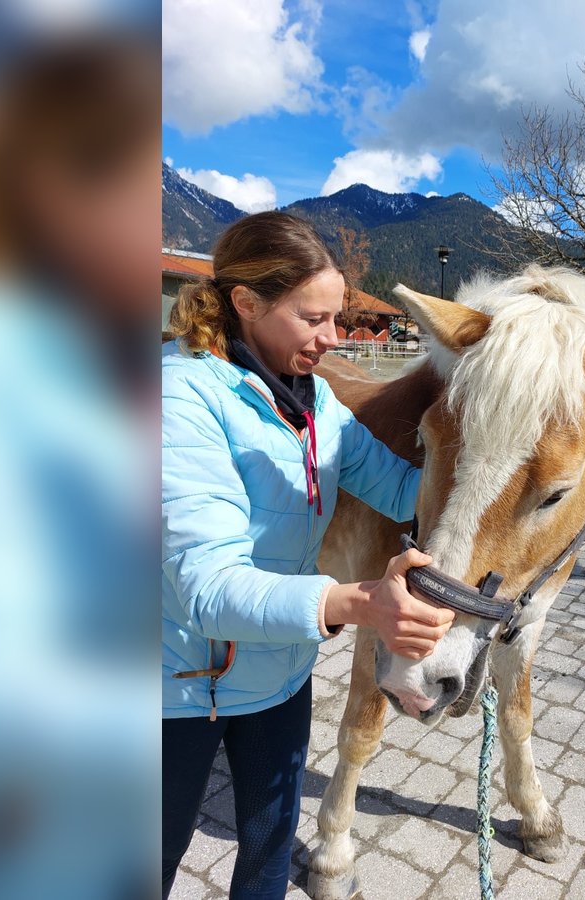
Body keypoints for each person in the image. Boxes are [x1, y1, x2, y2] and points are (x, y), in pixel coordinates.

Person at [162, 211, 454, 899]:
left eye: (339, 317)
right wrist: (355, 603)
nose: (334, 337)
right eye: (313, 318)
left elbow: (397, 486)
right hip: (173, 682)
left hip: (278, 672)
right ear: (246, 303)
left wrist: (500, 497)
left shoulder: (315, 398)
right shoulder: (179, 396)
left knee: (267, 856)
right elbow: (206, 588)